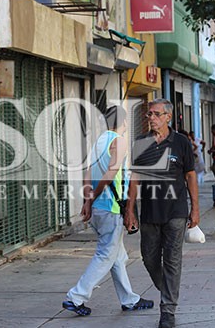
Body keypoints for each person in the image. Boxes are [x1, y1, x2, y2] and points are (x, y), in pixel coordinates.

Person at [62, 106, 153, 316]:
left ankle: (129, 299)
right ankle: (76, 297)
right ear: (124, 122)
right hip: (110, 208)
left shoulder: (98, 142)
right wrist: (94, 195)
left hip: (98, 210)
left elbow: (87, 172)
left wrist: (87, 201)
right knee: (105, 255)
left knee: (117, 256)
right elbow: (112, 172)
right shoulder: (118, 142)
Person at [124, 98, 200, 328]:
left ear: (168, 116)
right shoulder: (141, 143)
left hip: (176, 211)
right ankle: (167, 286)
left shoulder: (181, 143)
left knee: (173, 260)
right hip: (149, 212)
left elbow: (190, 176)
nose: (151, 118)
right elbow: (135, 178)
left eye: (156, 114)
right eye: (149, 115)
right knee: (149, 258)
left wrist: (195, 208)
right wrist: (130, 210)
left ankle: (168, 310)